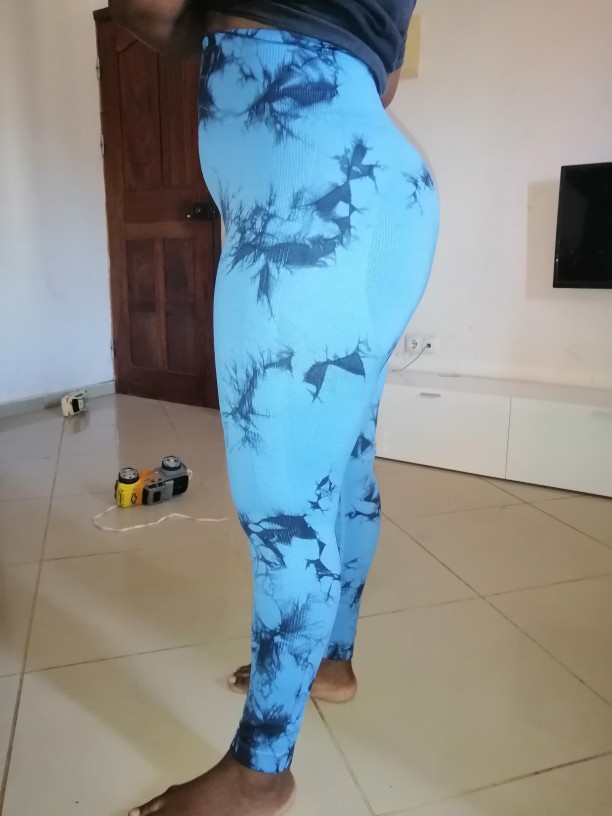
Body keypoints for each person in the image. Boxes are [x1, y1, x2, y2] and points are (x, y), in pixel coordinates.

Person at [109, 2, 439, 814]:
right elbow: (382, 75)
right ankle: (330, 659)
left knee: (286, 508)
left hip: (305, 193)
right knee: (346, 465)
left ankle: (260, 772)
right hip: (391, 185)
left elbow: (155, 10)